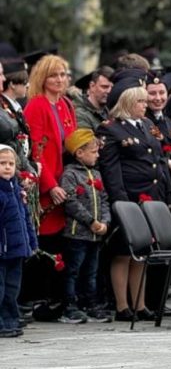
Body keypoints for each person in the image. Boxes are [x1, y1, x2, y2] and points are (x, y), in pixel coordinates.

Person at [97, 72, 171, 322]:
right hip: (129, 198)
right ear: (129, 101)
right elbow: (111, 170)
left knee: (142, 251)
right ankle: (122, 305)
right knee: (123, 253)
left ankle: (140, 304)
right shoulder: (111, 129)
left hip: (150, 197)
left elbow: (159, 163)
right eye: (141, 101)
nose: (146, 105)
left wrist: (166, 196)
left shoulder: (146, 126)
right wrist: (121, 202)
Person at [24, 54, 79, 320]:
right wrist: (51, 185)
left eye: (63, 74)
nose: (60, 79)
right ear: (42, 79)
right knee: (46, 242)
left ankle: (60, 300)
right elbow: (36, 151)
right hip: (48, 187)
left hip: (66, 181)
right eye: (54, 75)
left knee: (63, 243)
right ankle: (40, 301)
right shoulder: (36, 106)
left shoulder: (66, 104)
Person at [59, 129, 112, 322]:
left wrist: (105, 222)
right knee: (73, 270)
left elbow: (104, 199)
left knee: (91, 271)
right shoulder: (70, 174)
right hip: (77, 234)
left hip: (95, 234)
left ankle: (90, 303)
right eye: (94, 151)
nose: (98, 155)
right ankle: (69, 305)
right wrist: (91, 221)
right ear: (79, 152)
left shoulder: (96, 173)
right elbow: (71, 202)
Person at [0, 144, 37, 338]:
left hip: (16, 249)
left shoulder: (16, 189)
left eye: (11, 164)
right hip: (2, 249)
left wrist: (31, 243)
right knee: (1, 287)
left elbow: (25, 219)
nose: (7, 167)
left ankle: (10, 319)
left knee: (12, 288)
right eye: (2, 163)